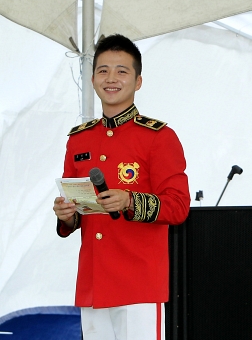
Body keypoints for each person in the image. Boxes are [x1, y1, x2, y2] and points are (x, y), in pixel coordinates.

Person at [53, 34, 191, 340]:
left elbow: (179, 207)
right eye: (103, 70)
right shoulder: (78, 139)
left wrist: (130, 201)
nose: (111, 78)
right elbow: (77, 213)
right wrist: (66, 215)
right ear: (92, 79)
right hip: (93, 283)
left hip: (139, 284)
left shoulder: (159, 137)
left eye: (121, 71)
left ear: (138, 81)